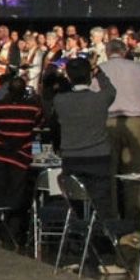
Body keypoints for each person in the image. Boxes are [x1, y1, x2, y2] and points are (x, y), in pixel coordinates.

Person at [50, 57, 116, 218]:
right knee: (102, 203)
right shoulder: (100, 98)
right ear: (89, 76)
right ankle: (103, 238)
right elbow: (110, 89)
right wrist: (99, 73)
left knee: (76, 201)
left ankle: (80, 235)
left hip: (72, 158)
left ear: (69, 76)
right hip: (98, 157)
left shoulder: (60, 100)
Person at [99, 38, 140, 220]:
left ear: (107, 52)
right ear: (124, 52)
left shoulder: (101, 69)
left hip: (109, 122)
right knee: (135, 174)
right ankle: (134, 217)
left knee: (110, 172)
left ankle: (113, 217)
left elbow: (95, 97)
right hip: (135, 121)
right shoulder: (138, 68)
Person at [0, 76, 43, 243]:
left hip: (0, 154)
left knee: (1, 192)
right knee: (17, 194)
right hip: (21, 156)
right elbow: (40, 123)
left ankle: (1, 230)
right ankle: (15, 230)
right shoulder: (33, 108)